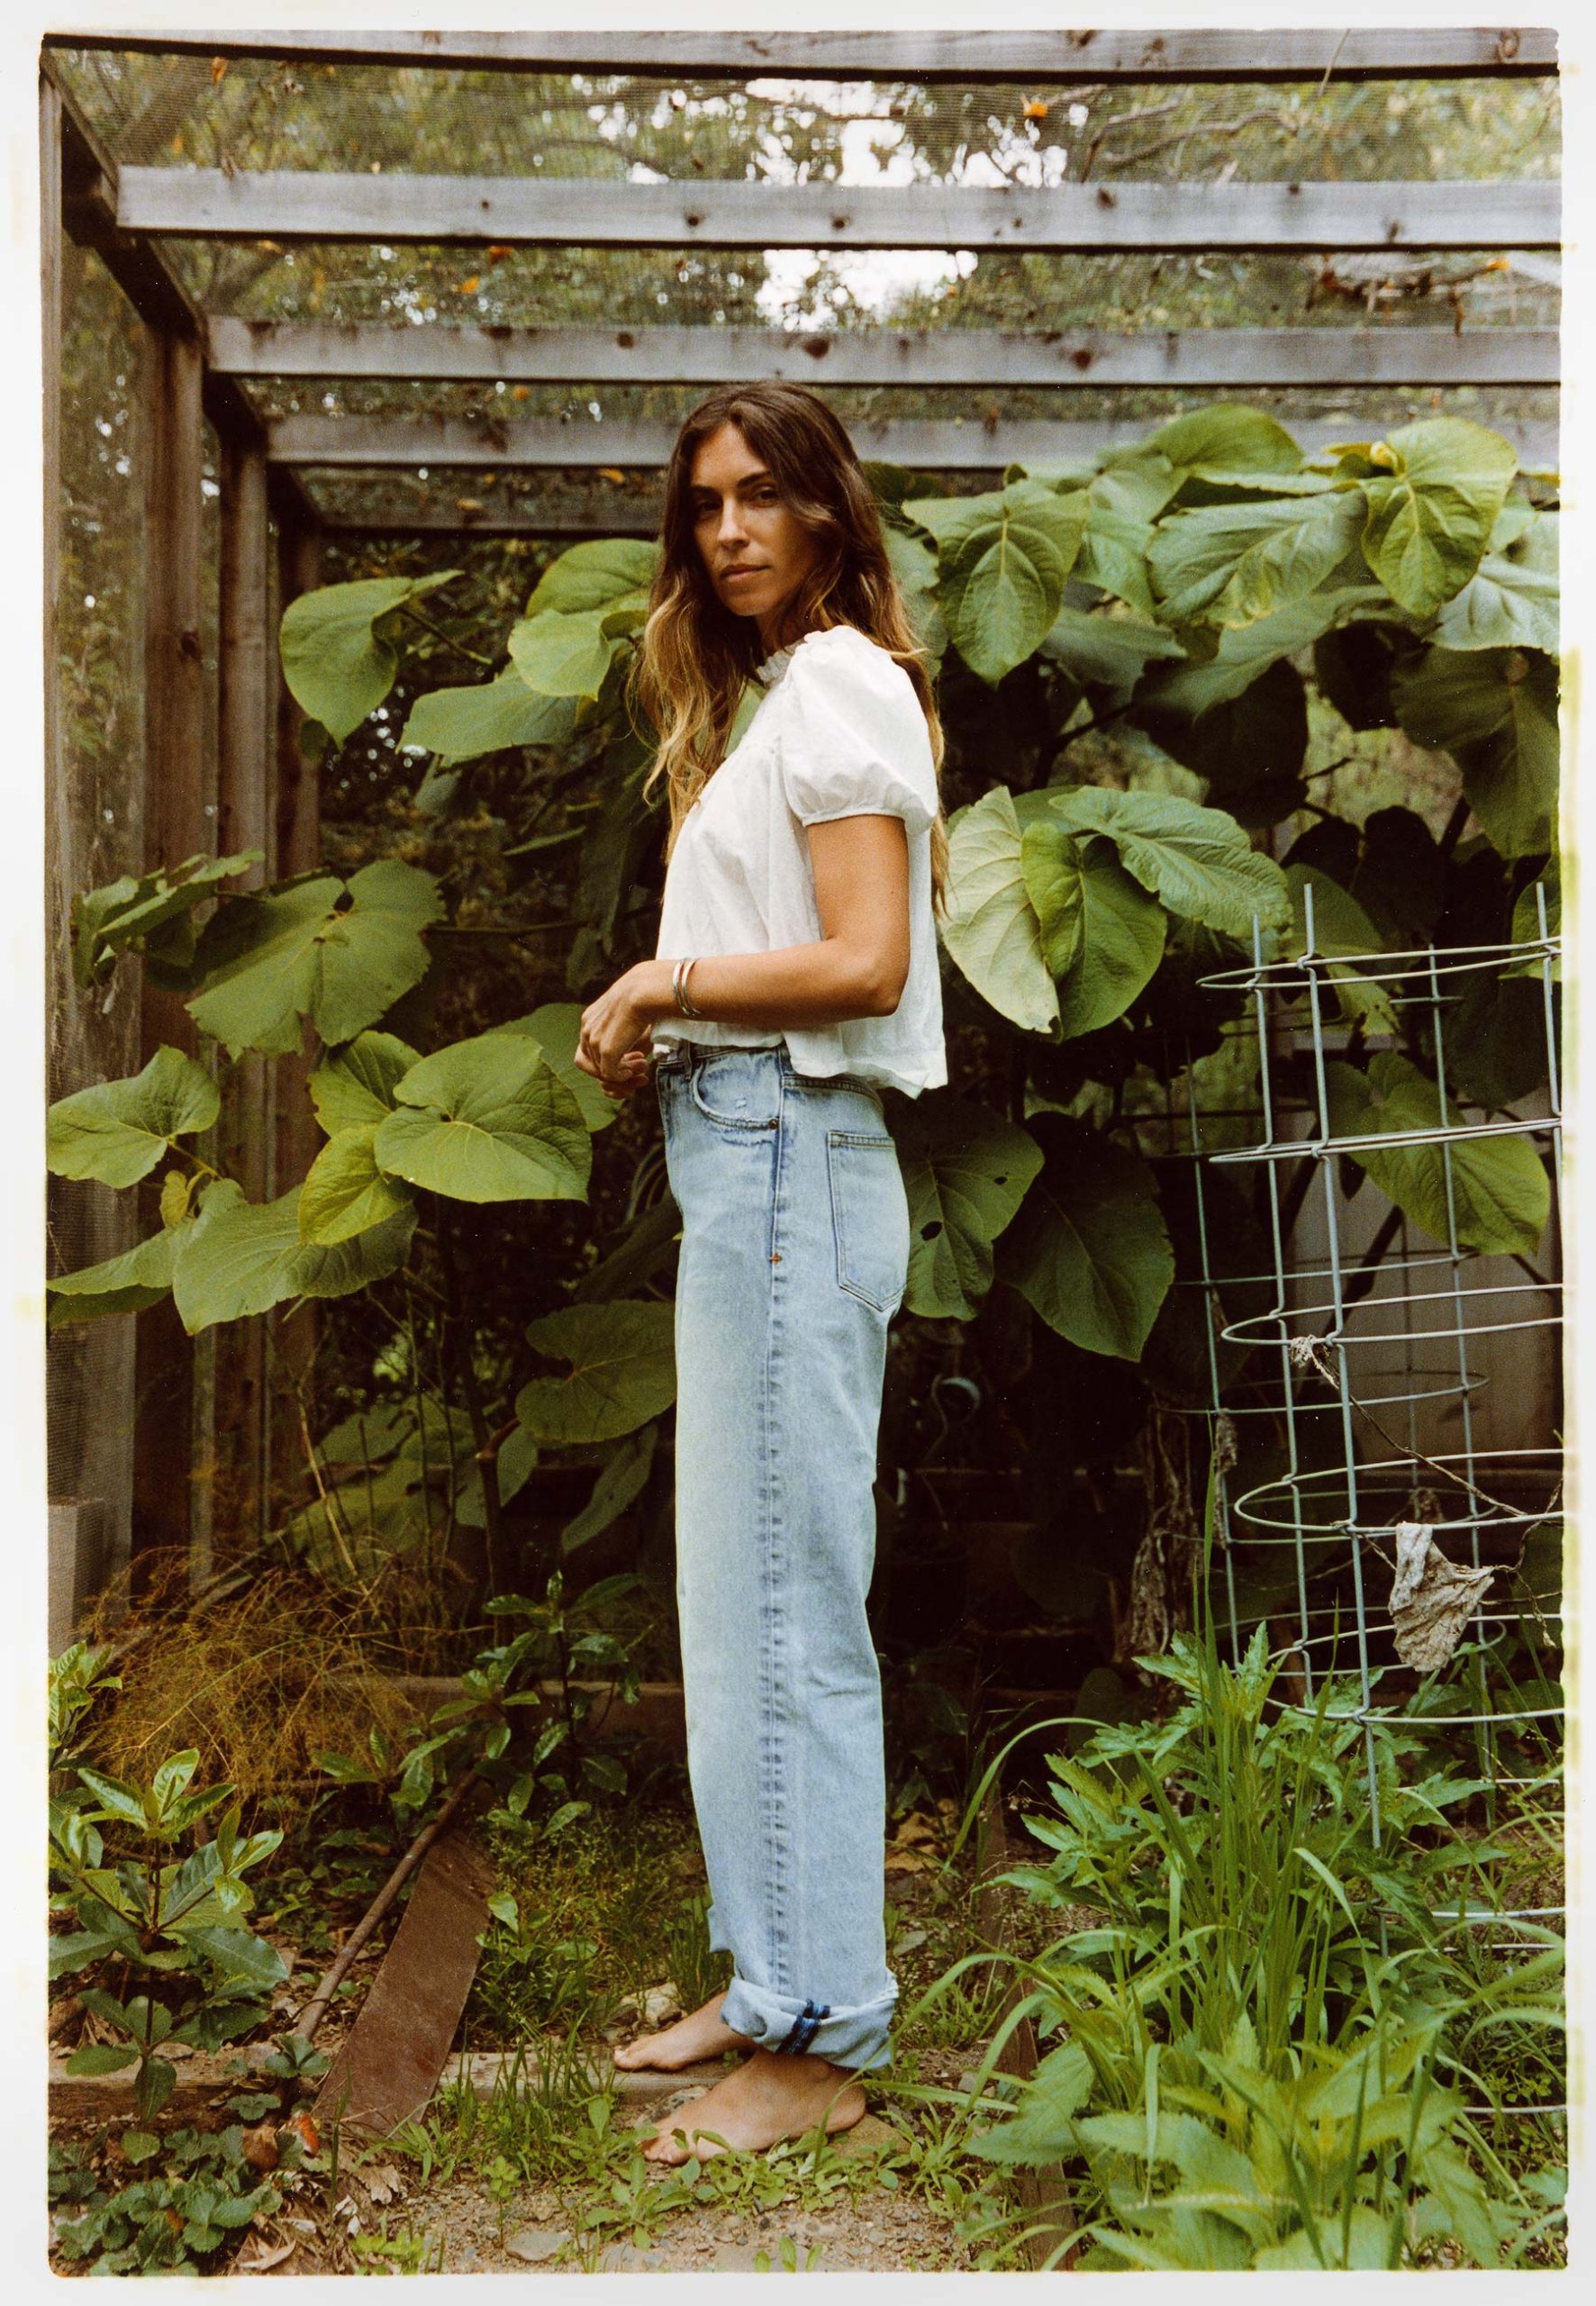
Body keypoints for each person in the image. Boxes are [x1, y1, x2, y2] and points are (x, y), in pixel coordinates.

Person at [571, 380, 948, 2165]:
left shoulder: (849, 684)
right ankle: (766, 1971)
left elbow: (868, 962)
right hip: (746, 1155)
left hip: (793, 1157)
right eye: (704, 504)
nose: (727, 530)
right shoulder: (781, 701)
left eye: (761, 496)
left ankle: (822, 2035)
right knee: (736, 1601)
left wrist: (666, 984)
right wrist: (674, 1024)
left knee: (790, 1605)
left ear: (823, 513)